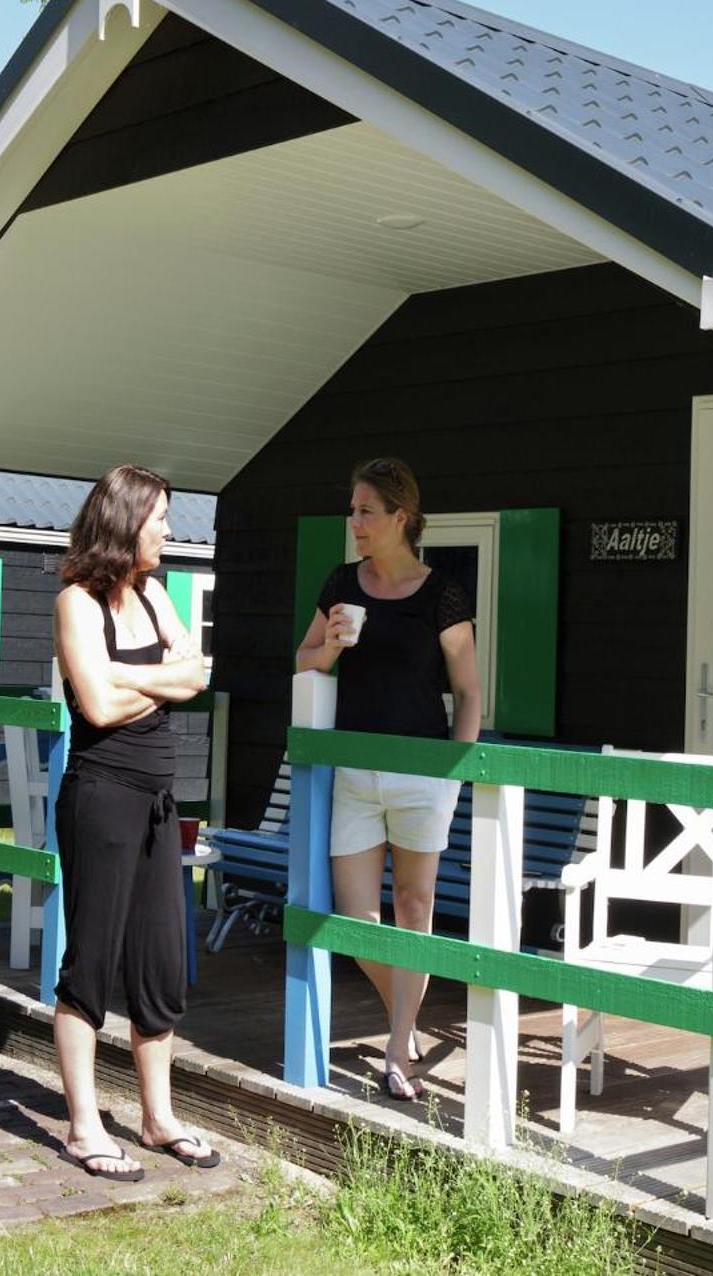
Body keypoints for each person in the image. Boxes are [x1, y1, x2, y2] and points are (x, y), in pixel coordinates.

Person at [51, 463, 218, 1180]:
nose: (170, 534)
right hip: (101, 797)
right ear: (126, 521)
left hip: (157, 801)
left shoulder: (153, 593)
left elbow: (198, 675)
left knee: (159, 959)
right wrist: (154, 682)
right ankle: (84, 1127)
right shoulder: (78, 604)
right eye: (160, 520)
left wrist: (126, 676)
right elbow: (95, 707)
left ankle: (158, 1120)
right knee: (92, 959)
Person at [295, 457, 480, 1100]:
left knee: (414, 909)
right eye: (352, 510)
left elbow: (470, 693)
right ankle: (410, 1011)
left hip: (424, 774)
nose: (355, 522)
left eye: (365, 511)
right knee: (355, 917)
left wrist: (453, 776)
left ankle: (398, 1047)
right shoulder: (342, 582)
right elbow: (304, 659)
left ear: (401, 517)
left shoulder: (444, 593)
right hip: (354, 771)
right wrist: (333, 649)